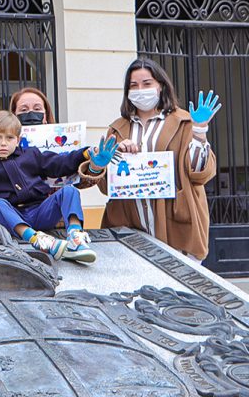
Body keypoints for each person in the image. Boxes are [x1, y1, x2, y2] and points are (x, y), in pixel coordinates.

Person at [80, 58, 218, 262]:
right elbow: (106, 186)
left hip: (176, 225)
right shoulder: (117, 128)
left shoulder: (185, 122)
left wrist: (199, 133)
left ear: (161, 86)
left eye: (147, 84)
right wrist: (109, 161)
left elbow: (199, 174)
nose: (140, 90)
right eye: (133, 85)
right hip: (129, 225)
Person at [0, 111, 119, 263]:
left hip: (40, 211)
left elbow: (59, 163)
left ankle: (75, 236)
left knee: (69, 191)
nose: (3, 143)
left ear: (18, 140)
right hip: (12, 217)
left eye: (9, 138)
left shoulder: (30, 155)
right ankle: (35, 239)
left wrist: (85, 154)